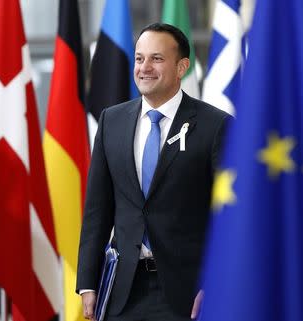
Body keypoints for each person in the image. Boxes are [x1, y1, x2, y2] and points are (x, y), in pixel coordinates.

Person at [76, 23, 230, 321]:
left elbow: (227, 217)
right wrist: (87, 284)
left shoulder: (215, 126)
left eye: (156, 59)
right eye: (139, 58)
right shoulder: (112, 121)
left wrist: (215, 283)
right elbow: (97, 210)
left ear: (181, 66)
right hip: (121, 292)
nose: (144, 67)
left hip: (189, 294)